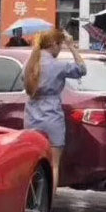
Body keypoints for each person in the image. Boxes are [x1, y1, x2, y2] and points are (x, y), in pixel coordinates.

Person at [24, 29, 87, 195]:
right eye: (60, 46)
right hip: (52, 115)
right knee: (54, 164)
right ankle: (47, 207)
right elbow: (82, 69)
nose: (61, 50)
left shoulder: (29, 64)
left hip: (31, 115)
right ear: (54, 44)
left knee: (32, 163)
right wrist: (72, 46)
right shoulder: (58, 65)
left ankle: (31, 200)